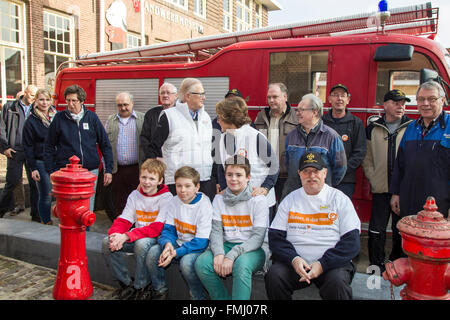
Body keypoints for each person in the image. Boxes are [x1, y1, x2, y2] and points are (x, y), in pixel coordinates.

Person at [265, 151, 361, 300]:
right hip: (296, 264)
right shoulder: (290, 200)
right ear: (299, 174)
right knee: (274, 276)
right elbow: (275, 238)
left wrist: (322, 264)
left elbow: (352, 243)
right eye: (306, 171)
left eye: (316, 171)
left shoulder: (339, 199)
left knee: (337, 283)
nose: (311, 176)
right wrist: (294, 259)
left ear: (324, 173)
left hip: (331, 265)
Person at [195, 155, 269, 300]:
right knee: (202, 263)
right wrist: (218, 253)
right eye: (229, 174)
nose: (233, 179)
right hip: (227, 244)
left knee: (241, 265)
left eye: (238, 175)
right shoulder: (218, 199)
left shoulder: (258, 200)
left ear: (248, 177)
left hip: (254, 249)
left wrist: (231, 255)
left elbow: (258, 238)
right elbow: (216, 231)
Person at [390, 80, 450, 258]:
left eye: (431, 99)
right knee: (408, 245)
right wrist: (396, 193)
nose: (425, 104)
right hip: (410, 199)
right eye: (421, 99)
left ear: (443, 100)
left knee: (434, 253)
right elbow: (400, 164)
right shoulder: (411, 128)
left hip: (440, 205)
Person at [103, 159, 173, 300]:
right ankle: (127, 284)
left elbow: (157, 228)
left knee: (142, 244)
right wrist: (115, 234)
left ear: (160, 181)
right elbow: (125, 219)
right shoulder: (135, 195)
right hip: (137, 236)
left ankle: (140, 286)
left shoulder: (167, 198)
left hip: (155, 239)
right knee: (106, 242)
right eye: (144, 177)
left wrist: (127, 236)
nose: (147, 182)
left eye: (152, 179)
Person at [362, 89, 412, 272]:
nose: (401, 106)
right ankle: (376, 264)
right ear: (385, 105)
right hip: (380, 188)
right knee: (376, 229)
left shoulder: (412, 127)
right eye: (396, 102)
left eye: (403, 103)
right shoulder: (373, 129)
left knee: (402, 229)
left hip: (403, 190)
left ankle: (398, 263)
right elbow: (366, 157)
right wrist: (373, 177)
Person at [43, 84, 113, 213]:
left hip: (89, 170)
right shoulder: (59, 119)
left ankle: (87, 232)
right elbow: (49, 146)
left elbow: (105, 144)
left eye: (74, 100)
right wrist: (51, 170)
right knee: (69, 209)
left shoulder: (91, 118)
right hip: (67, 172)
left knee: (87, 209)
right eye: (68, 100)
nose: (70, 104)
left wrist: (108, 169)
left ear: (82, 101)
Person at [145, 166, 212, 300]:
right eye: (179, 186)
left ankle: (198, 297)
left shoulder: (204, 205)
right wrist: (168, 244)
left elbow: (201, 241)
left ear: (197, 187)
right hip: (178, 243)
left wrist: (175, 253)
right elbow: (168, 229)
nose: (183, 190)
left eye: (188, 186)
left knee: (186, 264)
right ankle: (160, 291)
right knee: (153, 253)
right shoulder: (174, 201)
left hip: (198, 247)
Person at [145, 78, 215, 201]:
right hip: (178, 184)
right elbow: (153, 148)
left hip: (204, 181)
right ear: (188, 96)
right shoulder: (169, 116)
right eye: (200, 94)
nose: (204, 97)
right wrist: (154, 175)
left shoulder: (206, 117)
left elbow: (210, 149)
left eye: (204, 94)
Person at [215, 96, 279, 221]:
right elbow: (220, 167)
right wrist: (223, 188)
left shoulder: (255, 137)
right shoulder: (222, 138)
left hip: (258, 201)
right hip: (235, 201)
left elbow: (274, 166)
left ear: (229, 119)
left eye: (220, 117)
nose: (217, 121)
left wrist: (265, 188)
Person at [282, 93, 347, 200]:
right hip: (294, 195)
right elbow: (289, 164)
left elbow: (340, 168)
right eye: (297, 110)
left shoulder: (331, 137)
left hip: (321, 197)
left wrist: (325, 184)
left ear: (315, 111)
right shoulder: (291, 136)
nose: (297, 113)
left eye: (301, 110)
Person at [0, 85, 40, 221]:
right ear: (25, 93)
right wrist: (4, 147)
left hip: (31, 151)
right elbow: (2, 127)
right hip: (15, 150)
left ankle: (35, 214)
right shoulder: (10, 107)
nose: (33, 98)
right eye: (31, 95)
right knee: (11, 182)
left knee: (34, 183)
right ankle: (1, 211)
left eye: (36, 96)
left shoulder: (37, 109)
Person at [254, 83, 298, 202]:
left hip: (286, 175)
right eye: (269, 97)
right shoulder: (260, 117)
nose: (271, 100)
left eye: (275, 97)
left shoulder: (296, 118)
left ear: (285, 97)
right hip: (265, 174)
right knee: (266, 210)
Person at [322, 84, 366, 199]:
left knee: (341, 214)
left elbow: (360, 152)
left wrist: (342, 170)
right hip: (322, 179)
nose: (339, 99)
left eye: (343, 95)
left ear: (348, 99)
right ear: (329, 99)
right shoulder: (321, 122)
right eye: (335, 95)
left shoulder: (356, 123)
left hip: (346, 180)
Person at [105, 92, 145, 219]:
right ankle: (121, 228)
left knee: (139, 201)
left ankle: (137, 228)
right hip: (117, 170)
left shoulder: (142, 119)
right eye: (119, 105)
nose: (123, 108)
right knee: (119, 202)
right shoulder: (110, 121)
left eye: (126, 104)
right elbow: (105, 146)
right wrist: (108, 169)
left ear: (132, 103)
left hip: (137, 169)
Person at [22, 89, 57, 225]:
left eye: (47, 100)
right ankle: (46, 221)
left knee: (60, 194)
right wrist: (33, 168)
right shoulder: (31, 121)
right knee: (46, 194)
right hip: (40, 162)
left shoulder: (57, 117)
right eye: (41, 99)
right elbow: (28, 146)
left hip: (56, 161)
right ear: (36, 101)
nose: (45, 103)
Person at [140, 83, 177, 159]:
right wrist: (153, 157)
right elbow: (144, 138)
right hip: (156, 161)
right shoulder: (150, 114)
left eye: (168, 93)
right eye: (162, 93)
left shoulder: (181, 114)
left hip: (176, 161)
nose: (165, 95)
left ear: (176, 96)